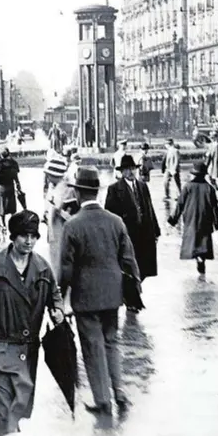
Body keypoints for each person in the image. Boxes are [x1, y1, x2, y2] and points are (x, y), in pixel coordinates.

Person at [0, 210, 64, 436]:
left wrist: (58, 311)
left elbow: (54, 295)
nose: (29, 241)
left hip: (26, 351)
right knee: (4, 410)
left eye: (34, 235)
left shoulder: (43, 268)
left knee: (18, 407)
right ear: (13, 236)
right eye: (24, 235)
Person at [60, 166, 140, 414]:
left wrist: (60, 299)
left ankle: (102, 400)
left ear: (78, 193)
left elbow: (65, 268)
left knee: (92, 347)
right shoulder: (115, 221)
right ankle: (120, 393)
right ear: (96, 191)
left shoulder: (72, 225)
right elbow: (129, 260)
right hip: (113, 294)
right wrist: (133, 289)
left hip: (86, 297)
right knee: (111, 343)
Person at [105, 155, 160, 297]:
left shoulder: (142, 186)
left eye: (132, 169)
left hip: (144, 233)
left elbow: (149, 208)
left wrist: (156, 230)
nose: (130, 172)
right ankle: (131, 296)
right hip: (127, 234)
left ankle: (134, 289)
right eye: (127, 169)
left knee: (144, 265)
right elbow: (110, 214)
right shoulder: (115, 189)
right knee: (128, 265)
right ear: (121, 172)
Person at [168, 161, 218, 275]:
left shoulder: (188, 187)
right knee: (203, 241)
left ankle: (198, 259)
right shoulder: (210, 188)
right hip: (205, 219)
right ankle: (201, 260)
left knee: (192, 241)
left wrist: (172, 220)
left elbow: (180, 205)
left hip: (191, 218)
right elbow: (215, 208)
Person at [0, 147, 22, 239]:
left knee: (1, 208)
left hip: (0, 188)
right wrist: (18, 186)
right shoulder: (13, 163)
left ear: (1, 155)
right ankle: (13, 225)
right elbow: (16, 176)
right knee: (11, 208)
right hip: (10, 187)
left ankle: (3, 226)